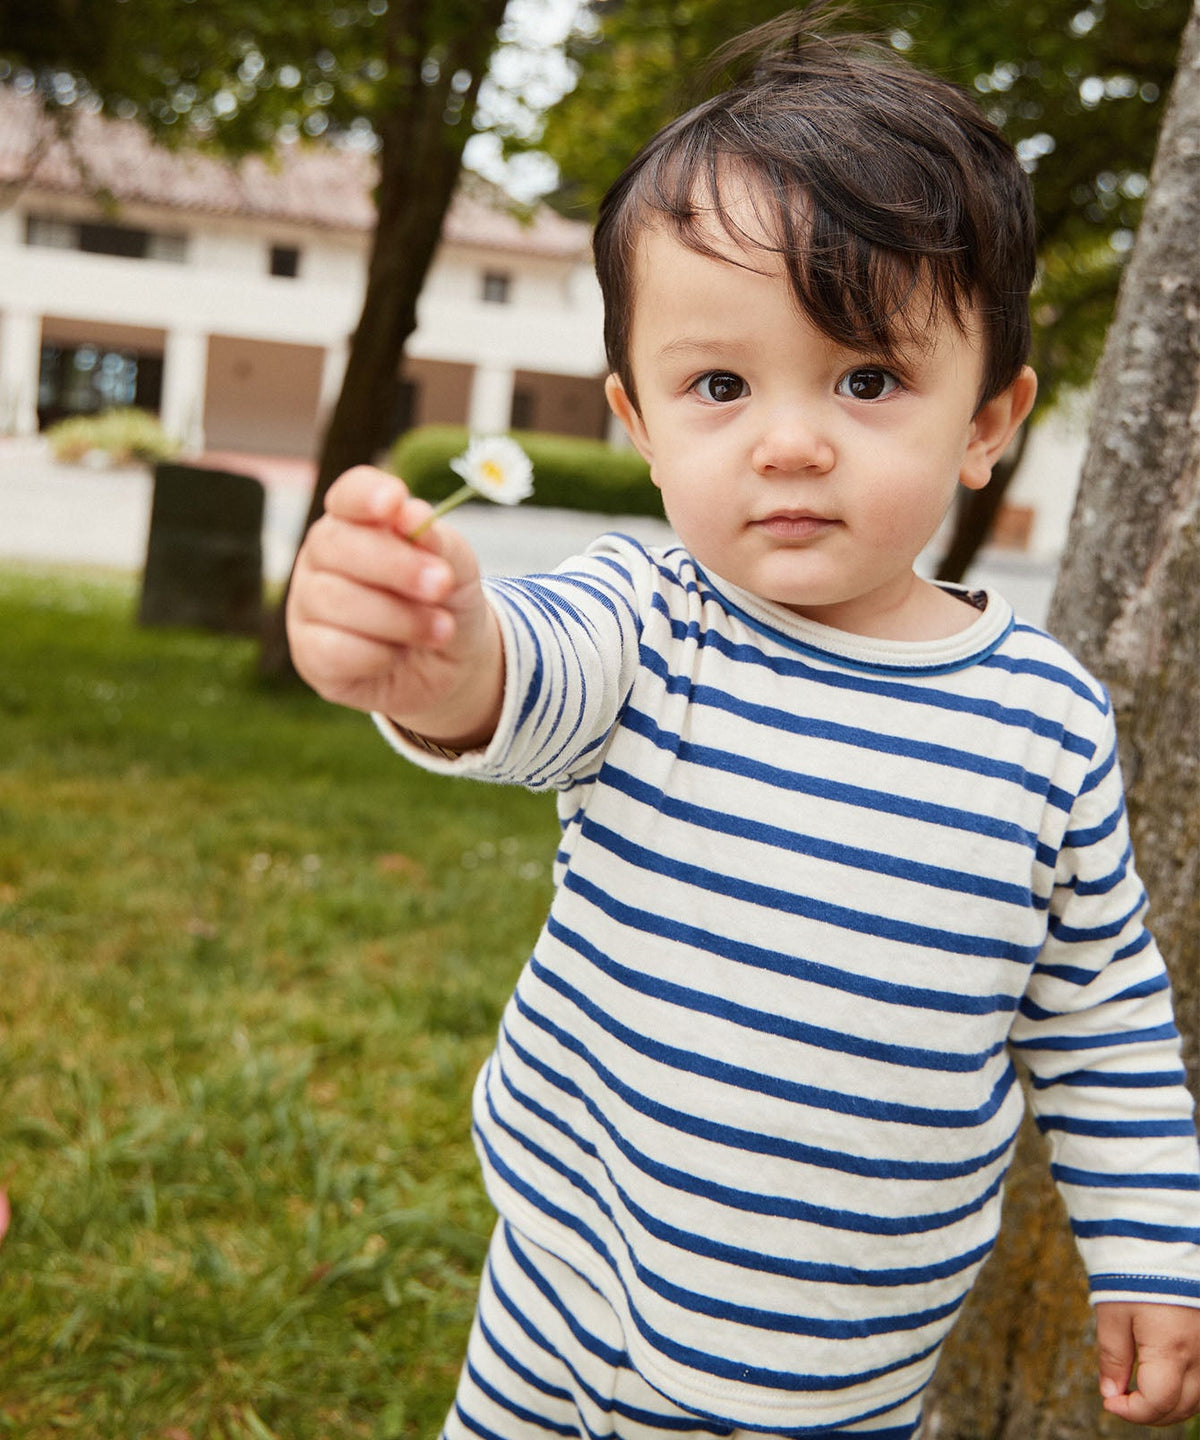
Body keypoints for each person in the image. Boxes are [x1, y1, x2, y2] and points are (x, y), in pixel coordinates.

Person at [286, 12, 1200, 1436]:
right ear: (638, 420)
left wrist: (1149, 1245)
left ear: (988, 419)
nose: (787, 440)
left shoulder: (1045, 726)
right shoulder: (652, 617)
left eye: (868, 379)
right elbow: (523, 678)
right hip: (558, 1267)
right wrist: (438, 656)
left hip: (815, 1360)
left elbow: (1102, 1023)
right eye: (719, 385)